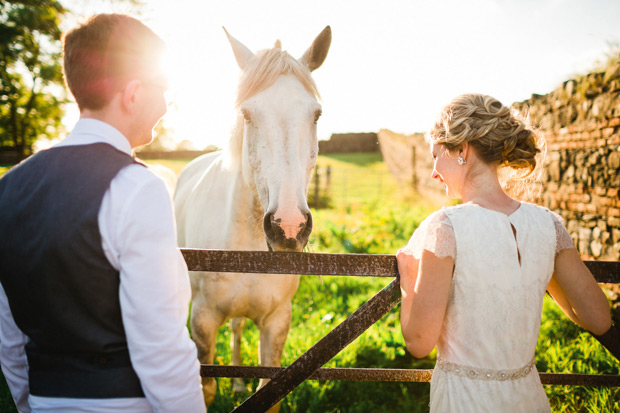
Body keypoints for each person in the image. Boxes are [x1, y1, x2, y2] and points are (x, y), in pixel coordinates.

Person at [0, 14, 206, 412]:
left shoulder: (7, 191)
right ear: (132, 94)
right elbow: (160, 346)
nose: (166, 104)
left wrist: (33, 405)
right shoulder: (137, 188)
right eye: (163, 89)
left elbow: (8, 336)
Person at [397, 93, 619, 412]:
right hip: (529, 399)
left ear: (462, 150)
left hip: (465, 402)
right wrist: (538, 275)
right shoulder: (548, 224)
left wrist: (408, 283)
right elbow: (598, 318)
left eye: (436, 155)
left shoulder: (445, 227)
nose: (433, 171)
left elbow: (419, 342)